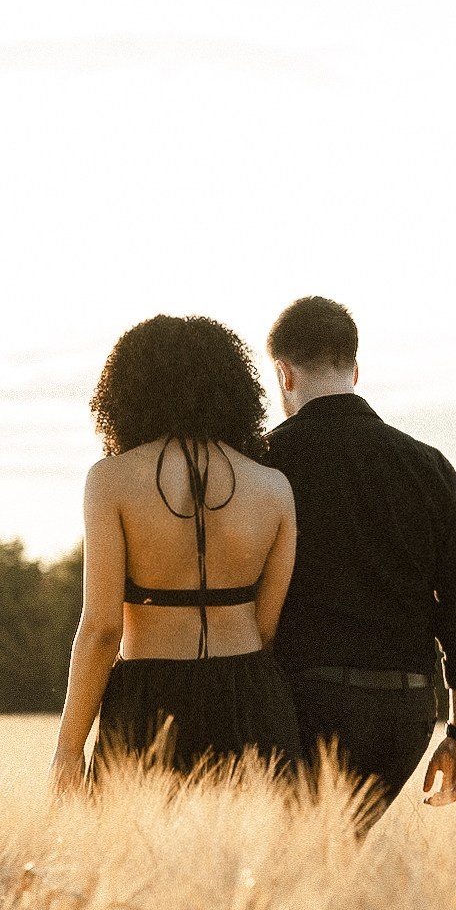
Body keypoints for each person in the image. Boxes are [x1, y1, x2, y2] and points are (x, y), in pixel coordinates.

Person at [261, 296, 456, 829]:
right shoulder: (429, 466)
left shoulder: (265, 462)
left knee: (294, 866)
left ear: (284, 375)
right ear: (356, 370)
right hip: (404, 713)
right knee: (336, 856)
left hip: (303, 704)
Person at [50, 315, 301, 788]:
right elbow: (266, 627)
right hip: (252, 697)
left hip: (148, 699)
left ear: (128, 390)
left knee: (130, 860)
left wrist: (68, 750)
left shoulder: (111, 481)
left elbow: (102, 630)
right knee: (256, 860)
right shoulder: (274, 488)